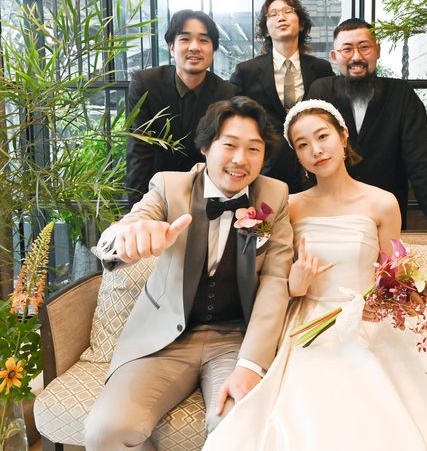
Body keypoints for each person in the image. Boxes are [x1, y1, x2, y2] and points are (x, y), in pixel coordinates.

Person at [203, 99, 427, 451]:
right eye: (302, 144)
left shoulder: (381, 202)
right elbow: (270, 274)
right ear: (296, 155)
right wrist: (295, 286)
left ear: (342, 135)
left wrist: (388, 296)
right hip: (309, 320)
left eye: (322, 136)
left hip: (371, 316)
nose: (316, 150)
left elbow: (393, 270)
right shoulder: (290, 205)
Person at [85, 97, 294, 450]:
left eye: (253, 149)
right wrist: (125, 237)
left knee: (239, 428)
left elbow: (275, 282)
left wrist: (250, 365)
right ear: (206, 146)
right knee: (106, 430)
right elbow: (133, 222)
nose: (240, 159)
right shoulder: (169, 186)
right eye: (230, 145)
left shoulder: (274, 196)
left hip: (235, 339)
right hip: (163, 339)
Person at [307, 17, 427, 240]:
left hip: (386, 212)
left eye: (364, 47)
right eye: (347, 49)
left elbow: (420, 162)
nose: (356, 57)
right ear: (335, 56)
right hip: (332, 213)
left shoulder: (402, 95)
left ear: (377, 50)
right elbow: (306, 152)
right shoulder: (320, 92)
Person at [125, 9, 236, 206]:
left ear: (213, 49)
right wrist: (137, 209)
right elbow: (138, 153)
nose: (194, 47)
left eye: (203, 40)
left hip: (207, 197)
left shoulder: (227, 94)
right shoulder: (145, 85)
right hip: (155, 194)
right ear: (171, 47)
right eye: (185, 39)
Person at [229, 0, 334, 192]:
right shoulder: (246, 71)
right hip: (267, 169)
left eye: (288, 11)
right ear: (266, 30)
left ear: (301, 24)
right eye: (273, 14)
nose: (281, 17)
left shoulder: (321, 69)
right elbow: (234, 117)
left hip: (315, 167)